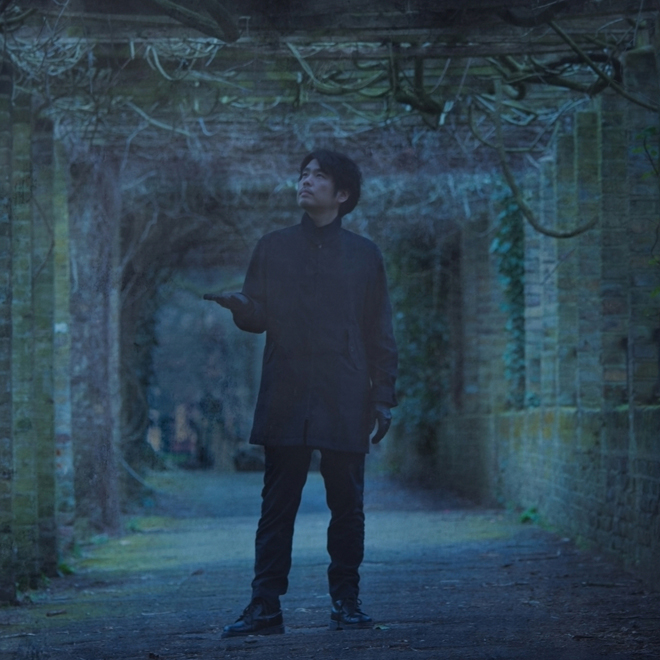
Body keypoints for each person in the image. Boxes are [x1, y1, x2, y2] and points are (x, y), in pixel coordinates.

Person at [204, 149, 398, 637]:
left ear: (343, 194)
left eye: (319, 176)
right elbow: (258, 317)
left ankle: (346, 600)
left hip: (345, 392)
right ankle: (264, 606)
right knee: (277, 505)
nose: (305, 181)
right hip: (286, 390)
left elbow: (379, 332)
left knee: (347, 505)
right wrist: (240, 307)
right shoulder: (273, 247)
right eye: (303, 174)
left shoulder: (365, 255)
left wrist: (382, 396)